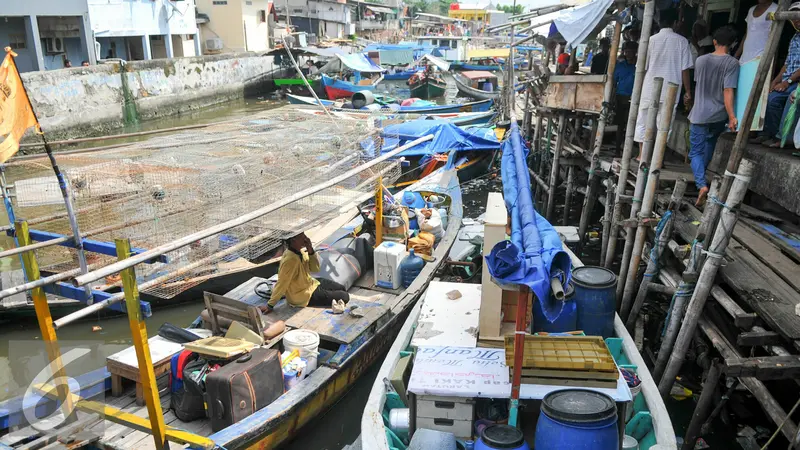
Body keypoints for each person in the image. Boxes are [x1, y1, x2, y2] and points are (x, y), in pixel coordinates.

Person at [688, 25, 740, 206]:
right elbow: (728, 90)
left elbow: (698, 85)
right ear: (733, 44)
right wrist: (732, 116)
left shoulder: (701, 60)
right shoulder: (732, 63)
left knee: (695, 151)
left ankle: (701, 184)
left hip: (699, 113)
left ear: (715, 41)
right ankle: (701, 178)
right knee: (709, 143)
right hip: (718, 115)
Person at [633, 8, 693, 157]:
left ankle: (642, 155)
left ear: (659, 23)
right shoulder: (682, 41)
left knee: (644, 121)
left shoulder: (649, 41)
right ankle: (657, 157)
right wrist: (688, 91)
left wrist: (638, 89)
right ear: (675, 23)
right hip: (671, 90)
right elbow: (685, 70)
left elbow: (641, 69)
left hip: (649, 88)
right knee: (664, 125)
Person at [756, 2, 800, 148]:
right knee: (769, 98)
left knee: (788, 99)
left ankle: (782, 138)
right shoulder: (794, 38)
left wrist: (787, 82)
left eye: (798, 16)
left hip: (795, 82)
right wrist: (775, 81)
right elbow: (787, 64)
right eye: (793, 18)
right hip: (788, 79)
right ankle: (769, 134)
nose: (796, 21)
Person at [614, 41, 638, 151]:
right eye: (626, 52)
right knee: (620, 124)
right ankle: (618, 148)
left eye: (630, 52)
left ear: (635, 52)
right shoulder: (620, 66)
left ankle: (628, 148)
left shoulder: (639, 66)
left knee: (631, 124)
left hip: (635, 98)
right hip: (620, 97)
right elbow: (614, 82)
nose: (628, 54)